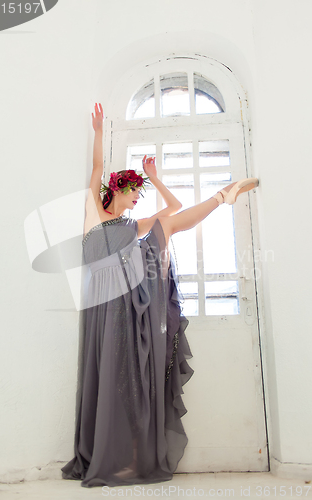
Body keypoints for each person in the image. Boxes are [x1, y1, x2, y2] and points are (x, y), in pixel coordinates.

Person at [61, 103, 259, 488]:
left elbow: (174, 209)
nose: (138, 199)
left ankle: (223, 196)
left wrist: (155, 176)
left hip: (127, 296)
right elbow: (97, 171)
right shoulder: (93, 213)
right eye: (135, 191)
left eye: (140, 193)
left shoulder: (134, 225)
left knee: (165, 226)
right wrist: (100, 133)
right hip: (104, 303)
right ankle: (223, 196)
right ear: (118, 189)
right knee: (109, 376)